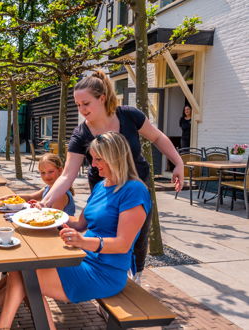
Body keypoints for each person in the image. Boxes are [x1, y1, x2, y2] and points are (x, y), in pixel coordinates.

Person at [0, 131, 152, 329]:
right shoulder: (102, 186)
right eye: (92, 158)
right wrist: (47, 211)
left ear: (116, 157)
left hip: (106, 272)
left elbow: (122, 245)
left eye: (98, 159)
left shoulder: (134, 190)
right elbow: (79, 223)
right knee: (22, 270)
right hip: (82, 258)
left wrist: (82, 241)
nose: (93, 165)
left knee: (26, 276)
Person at [40, 70, 184, 282]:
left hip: (136, 182)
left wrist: (178, 162)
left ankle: (136, 279)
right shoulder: (81, 134)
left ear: (102, 98)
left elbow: (157, 137)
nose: (81, 110)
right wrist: (45, 202)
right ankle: (103, 275)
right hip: (103, 185)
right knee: (104, 227)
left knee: (138, 235)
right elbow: (67, 175)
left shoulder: (129, 115)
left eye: (86, 104)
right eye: (78, 105)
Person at [0, 153, 75, 326]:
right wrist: (10, 198)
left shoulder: (61, 195)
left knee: (22, 273)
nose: (46, 176)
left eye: (50, 172)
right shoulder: (49, 189)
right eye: (42, 173)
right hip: (45, 240)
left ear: (60, 171)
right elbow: (32, 195)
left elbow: (49, 220)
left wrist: (30, 211)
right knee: (16, 272)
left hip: (55, 245)